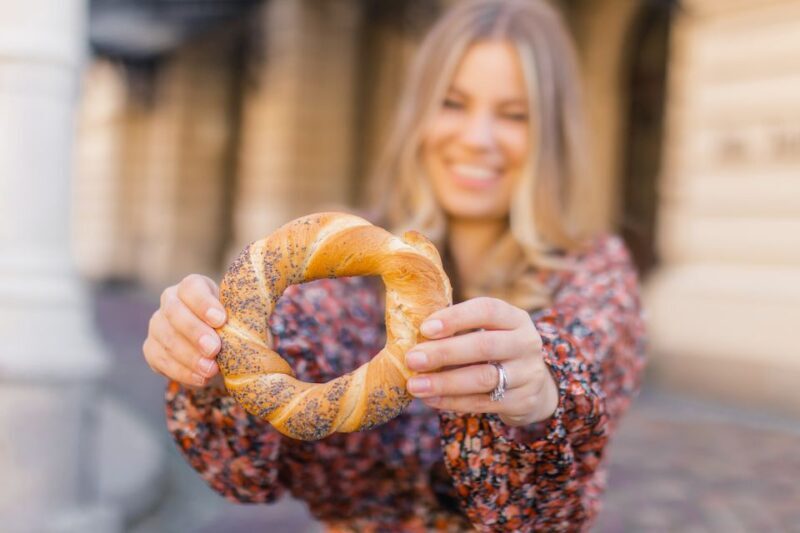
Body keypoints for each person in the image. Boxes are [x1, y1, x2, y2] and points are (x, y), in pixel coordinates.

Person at [142, 0, 646, 530]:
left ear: (552, 134)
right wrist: (210, 345)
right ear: (419, 113)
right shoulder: (353, 263)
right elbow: (241, 472)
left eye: (514, 114)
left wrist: (541, 395)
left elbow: (557, 501)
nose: (478, 138)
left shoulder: (594, 276)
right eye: (453, 103)